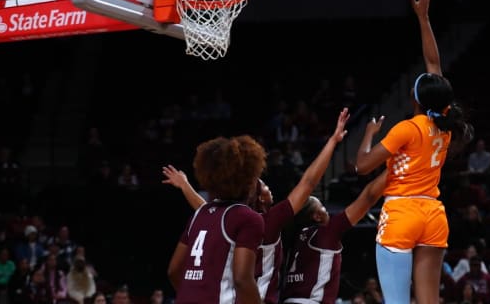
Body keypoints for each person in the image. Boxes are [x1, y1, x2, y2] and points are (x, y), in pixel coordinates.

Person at [354, 0, 474, 304]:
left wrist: (367, 136)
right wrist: (423, 19)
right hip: (433, 214)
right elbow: (434, 66)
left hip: (401, 213)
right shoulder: (444, 124)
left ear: (416, 98)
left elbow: (362, 166)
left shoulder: (407, 129)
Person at [163, 108, 351, 304]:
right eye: (263, 185)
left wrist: (185, 186)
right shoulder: (264, 221)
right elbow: (308, 183)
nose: (268, 188)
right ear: (258, 197)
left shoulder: (221, 217)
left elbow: (206, 212)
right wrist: (332, 142)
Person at [166, 135, 267, 304]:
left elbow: (173, 271)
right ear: (247, 180)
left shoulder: (199, 215)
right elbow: (242, 279)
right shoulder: (248, 218)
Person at [279, 170, 387, 304]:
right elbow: (368, 197)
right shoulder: (325, 233)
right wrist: (393, 168)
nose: (327, 211)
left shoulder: (293, 239)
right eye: (322, 207)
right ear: (317, 216)